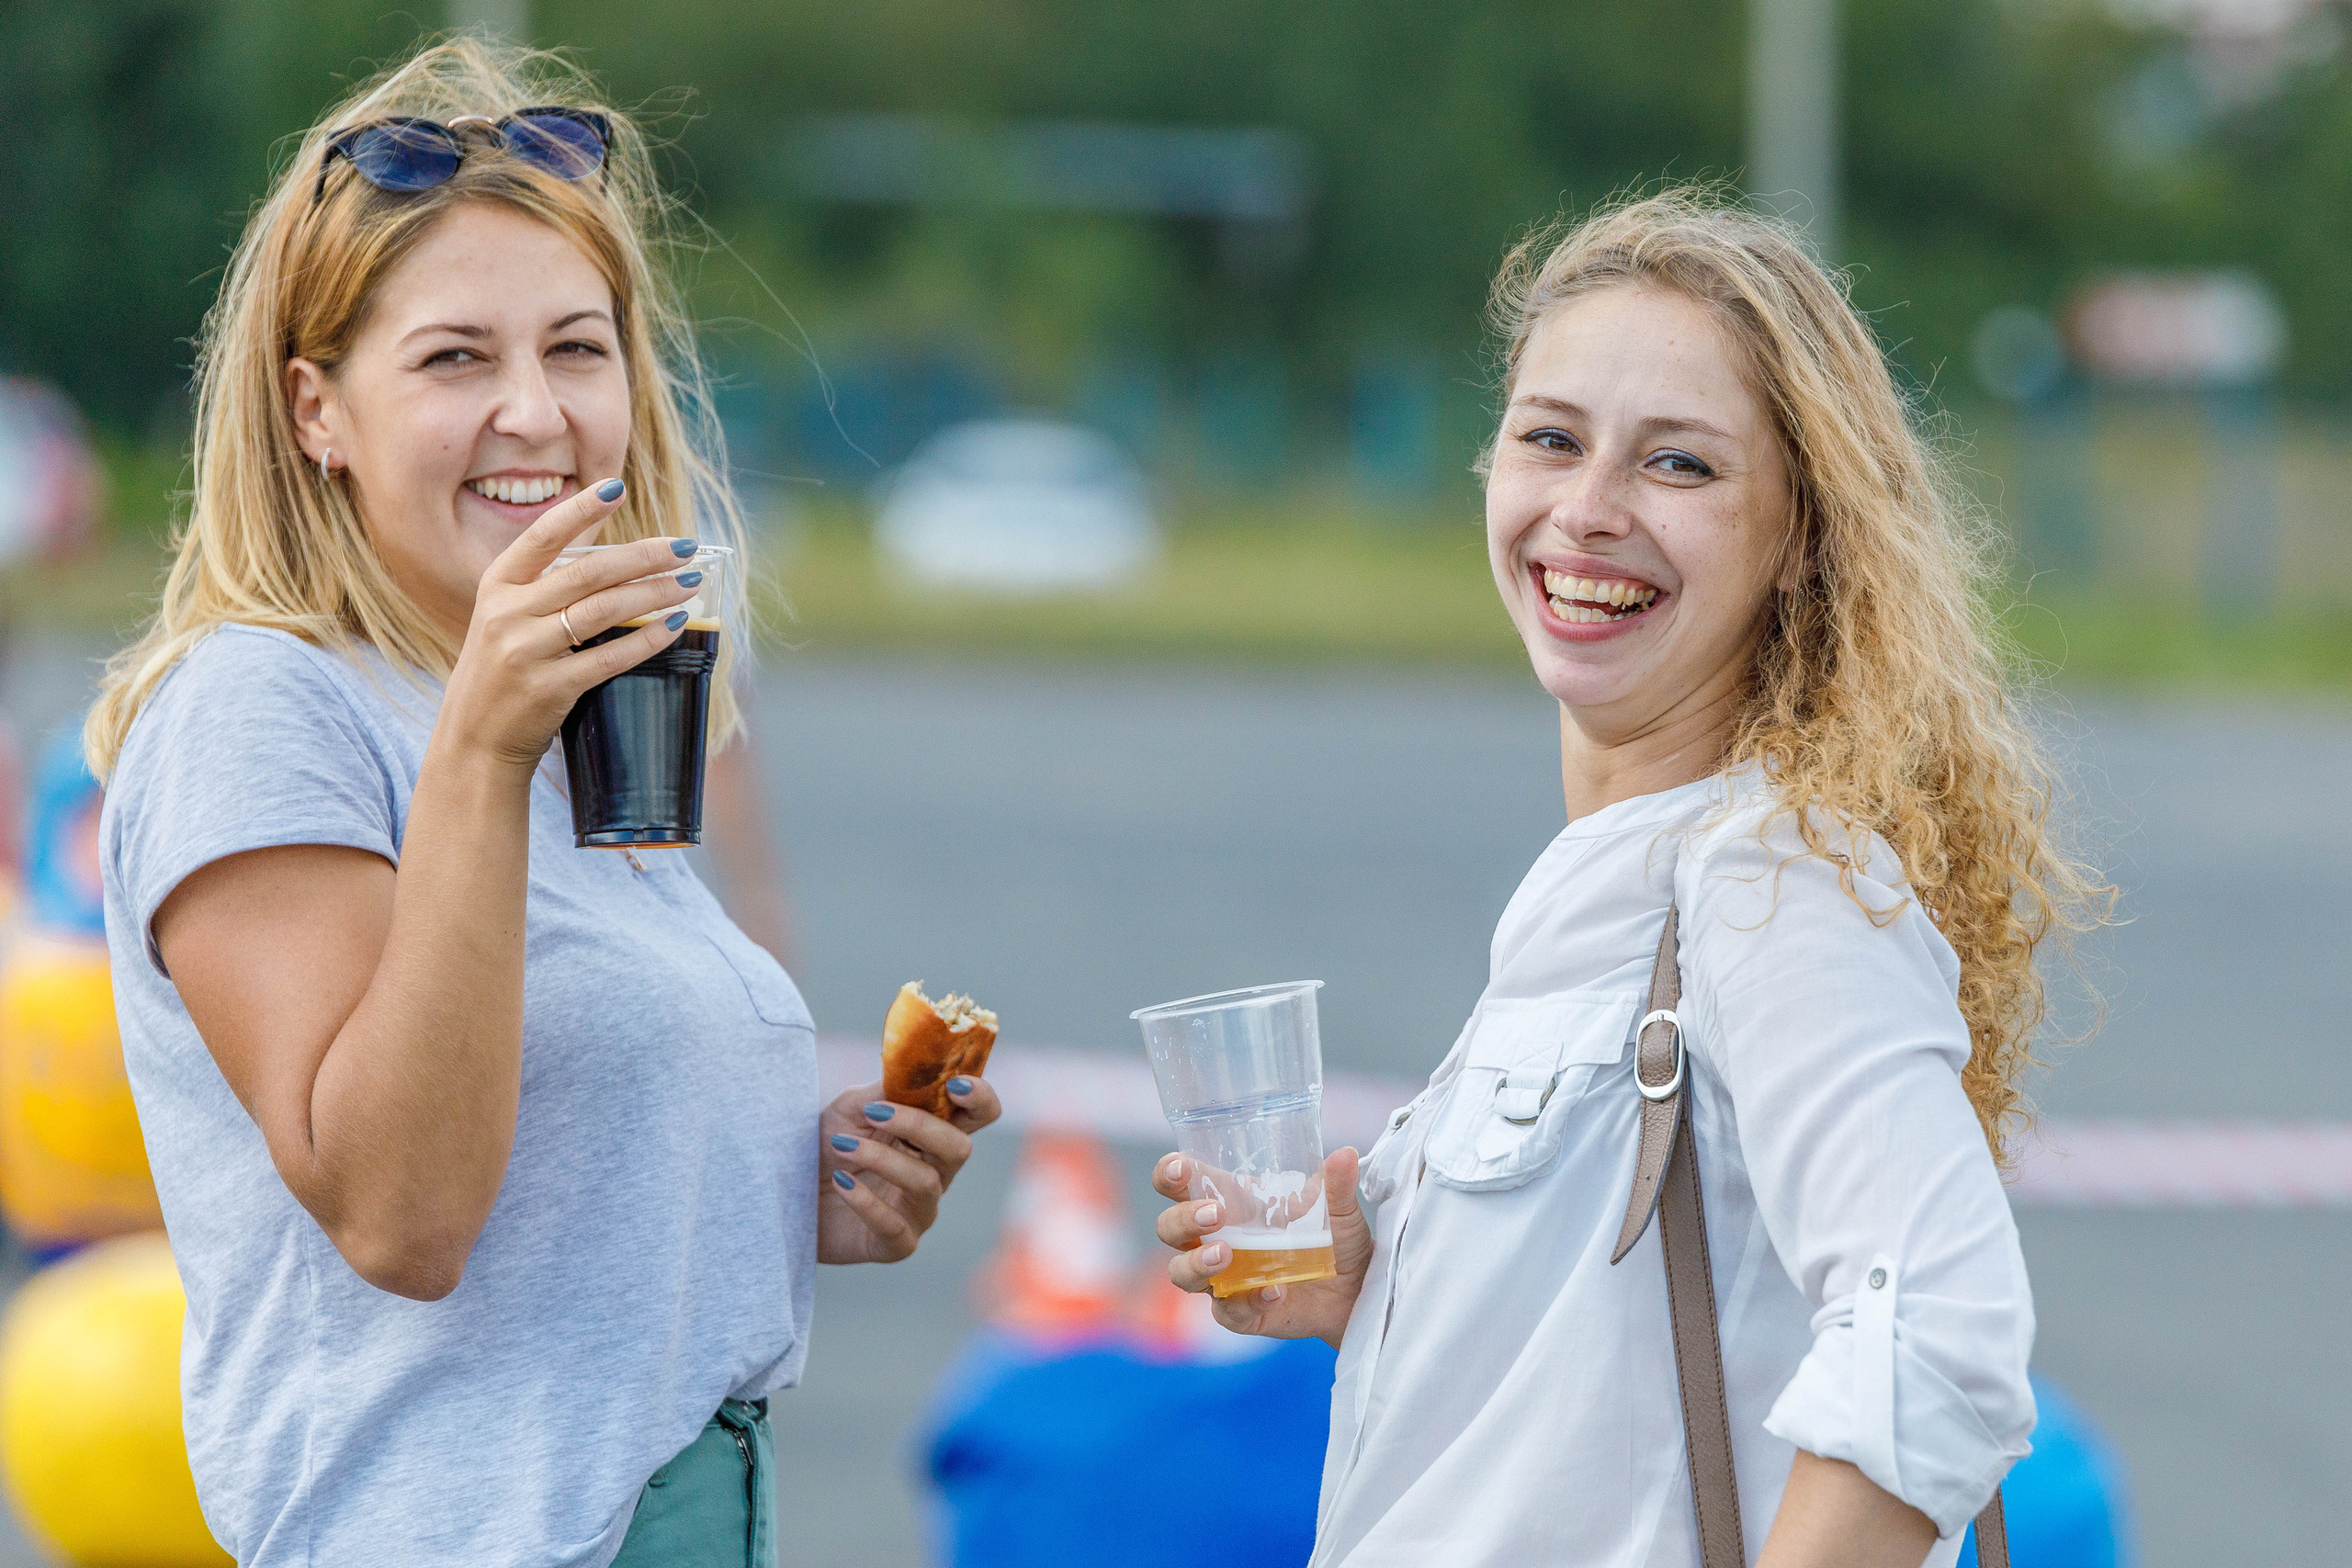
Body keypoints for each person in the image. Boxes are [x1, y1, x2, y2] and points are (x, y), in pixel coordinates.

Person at [84, 39, 998, 1567]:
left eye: (580, 351)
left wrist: (797, 1177)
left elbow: (545, 1149)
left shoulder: (576, 708)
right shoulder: (262, 707)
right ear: (318, 410)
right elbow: (404, 1215)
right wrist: (486, 752)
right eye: (455, 359)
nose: (537, 412)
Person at [1152, 187, 2109, 1567]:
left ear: (1799, 539)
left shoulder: (1776, 882)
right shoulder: (1620, 888)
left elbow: (1943, 1344)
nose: (1586, 512)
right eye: (1551, 440)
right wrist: (1381, 1271)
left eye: (1679, 466)